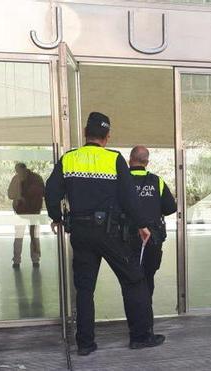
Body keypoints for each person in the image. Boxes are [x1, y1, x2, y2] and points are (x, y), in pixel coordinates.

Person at [45, 112, 165, 355]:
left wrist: (56, 217)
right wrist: (142, 225)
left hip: (80, 232)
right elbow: (129, 198)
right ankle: (141, 337)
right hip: (109, 233)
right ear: (107, 136)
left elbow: (51, 190)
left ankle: (85, 344)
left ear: (86, 134)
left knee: (85, 289)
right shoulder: (113, 159)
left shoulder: (69, 159)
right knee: (134, 279)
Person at [128, 146, 176, 332]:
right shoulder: (157, 181)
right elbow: (170, 208)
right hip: (153, 239)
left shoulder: (122, 181)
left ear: (130, 159)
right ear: (146, 162)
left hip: (128, 238)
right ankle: (146, 323)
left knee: (131, 280)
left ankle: (135, 323)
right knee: (148, 278)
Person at [8, 163, 45, 269]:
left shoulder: (16, 179)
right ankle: (35, 260)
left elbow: (10, 195)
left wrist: (18, 197)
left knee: (19, 236)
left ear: (18, 170)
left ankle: (16, 260)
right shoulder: (37, 178)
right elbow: (43, 193)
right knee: (34, 236)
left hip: (21, 213)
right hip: (34, 212)